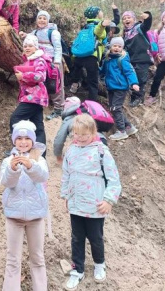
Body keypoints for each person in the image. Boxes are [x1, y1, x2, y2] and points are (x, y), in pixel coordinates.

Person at [61, 114, 121, 290]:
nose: (80, 138)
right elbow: (66, 175)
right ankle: (77, 269)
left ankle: (99, 264)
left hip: (96, 205)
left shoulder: (101, 151)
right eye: (77, 134)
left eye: (84, 135)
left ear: (93, 132)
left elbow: (114, 179)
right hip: (76, 203)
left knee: (96, 237)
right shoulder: (70, 151)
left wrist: (109, 200)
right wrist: (65, 196)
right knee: (76, 238)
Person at [0, 120, 48, 291]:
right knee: (13, 259)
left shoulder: (39, 159)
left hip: (36, 217)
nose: (23, 141)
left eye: (27, 138)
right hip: (14, 217)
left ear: (33, 140)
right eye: (19, 138)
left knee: (38, 258)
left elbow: (42, 176)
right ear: (14, 140)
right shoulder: (7, 161)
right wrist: (13, 169)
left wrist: (30, 165)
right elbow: (6, 182)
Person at [19, 10, 64, 120]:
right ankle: (42, 105)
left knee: (56, 83)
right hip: (42, 61)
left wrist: (57, 62)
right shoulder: (35, 32)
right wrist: (24, 35)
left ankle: (59, 109)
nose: (42, 20)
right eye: (40, 18)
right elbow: (30, 38)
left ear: (48, 20)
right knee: (44, 82)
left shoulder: (53, 32)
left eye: (44, 18)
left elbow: (58, 47)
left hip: (53, 61)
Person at [9, 35, 48, 157]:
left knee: (15, 119)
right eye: (25, 46)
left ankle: (20, 147)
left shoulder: (39, 60)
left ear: (36, 47)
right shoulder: (28, 61)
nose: (27, 48)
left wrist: (23, 76)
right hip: (34, 97)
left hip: (33, 97)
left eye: (30, 46)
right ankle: (39, 155)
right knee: (38, 126)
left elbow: (41, 76)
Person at [100, 37, 139, 140]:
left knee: (116, 108)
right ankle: (129, 127)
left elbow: (129, 72)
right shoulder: (108, 59)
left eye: (119, 46)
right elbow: (103, 71)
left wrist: (134, 83)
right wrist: (95, 70)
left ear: (122, 48)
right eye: (115, 46)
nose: (117, 48)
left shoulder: (122, 59)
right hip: (111, 87)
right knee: (115, 108)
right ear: (111, 46)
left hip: (120, 87)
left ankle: (121, 131)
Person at [69, 6, 109, 101]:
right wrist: (102, 25)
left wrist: (74, 56)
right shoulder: (98, 26)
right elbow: (99, 32)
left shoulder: (85, 28)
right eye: (100, 11)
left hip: (79, 55)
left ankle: (74, 85)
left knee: (76, 70)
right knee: (93, 82)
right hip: (92, 56)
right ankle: (92, 103)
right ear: (97, 14)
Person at [52, 96, 108, 162]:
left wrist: (58, 155)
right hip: (101, 140)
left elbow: (59, 139)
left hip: (85, 143)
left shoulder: (69, 119)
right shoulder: (88, 113)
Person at [122, 11, 154, 107]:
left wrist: (148, 17)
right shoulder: (125, 34)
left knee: (140, 78)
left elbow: (147, 25)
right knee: (132, 77)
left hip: (142, 58)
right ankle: (133, 95)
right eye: (124, 18)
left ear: (134, 19)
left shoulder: (139, 28)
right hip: (131, 60)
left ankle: (139, 97)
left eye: (129, 17)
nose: (127, 20)